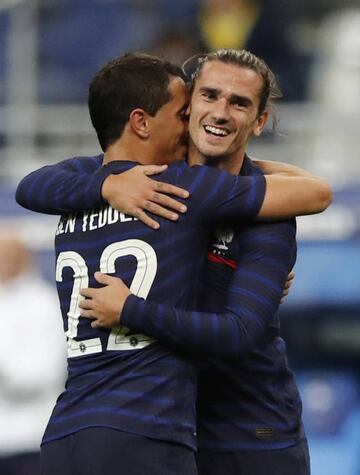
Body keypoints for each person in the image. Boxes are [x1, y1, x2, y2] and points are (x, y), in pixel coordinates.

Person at [16, 52, 331, 475]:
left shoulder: (263, 210)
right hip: (162, 429)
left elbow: (317, 195)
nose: (220, 112)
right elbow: (32, 185)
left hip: (247, 431)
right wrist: (107, 184)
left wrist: (133, 309)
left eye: (239, 104)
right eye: (208, 96)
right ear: (190, 102)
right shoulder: (134, 177)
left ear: (259, 122)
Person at [0, 233, 66, 475]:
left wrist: (3, 371)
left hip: (31, 440)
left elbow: (45, 374)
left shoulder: (45, 304)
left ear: (25, 259)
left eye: (8, 257)